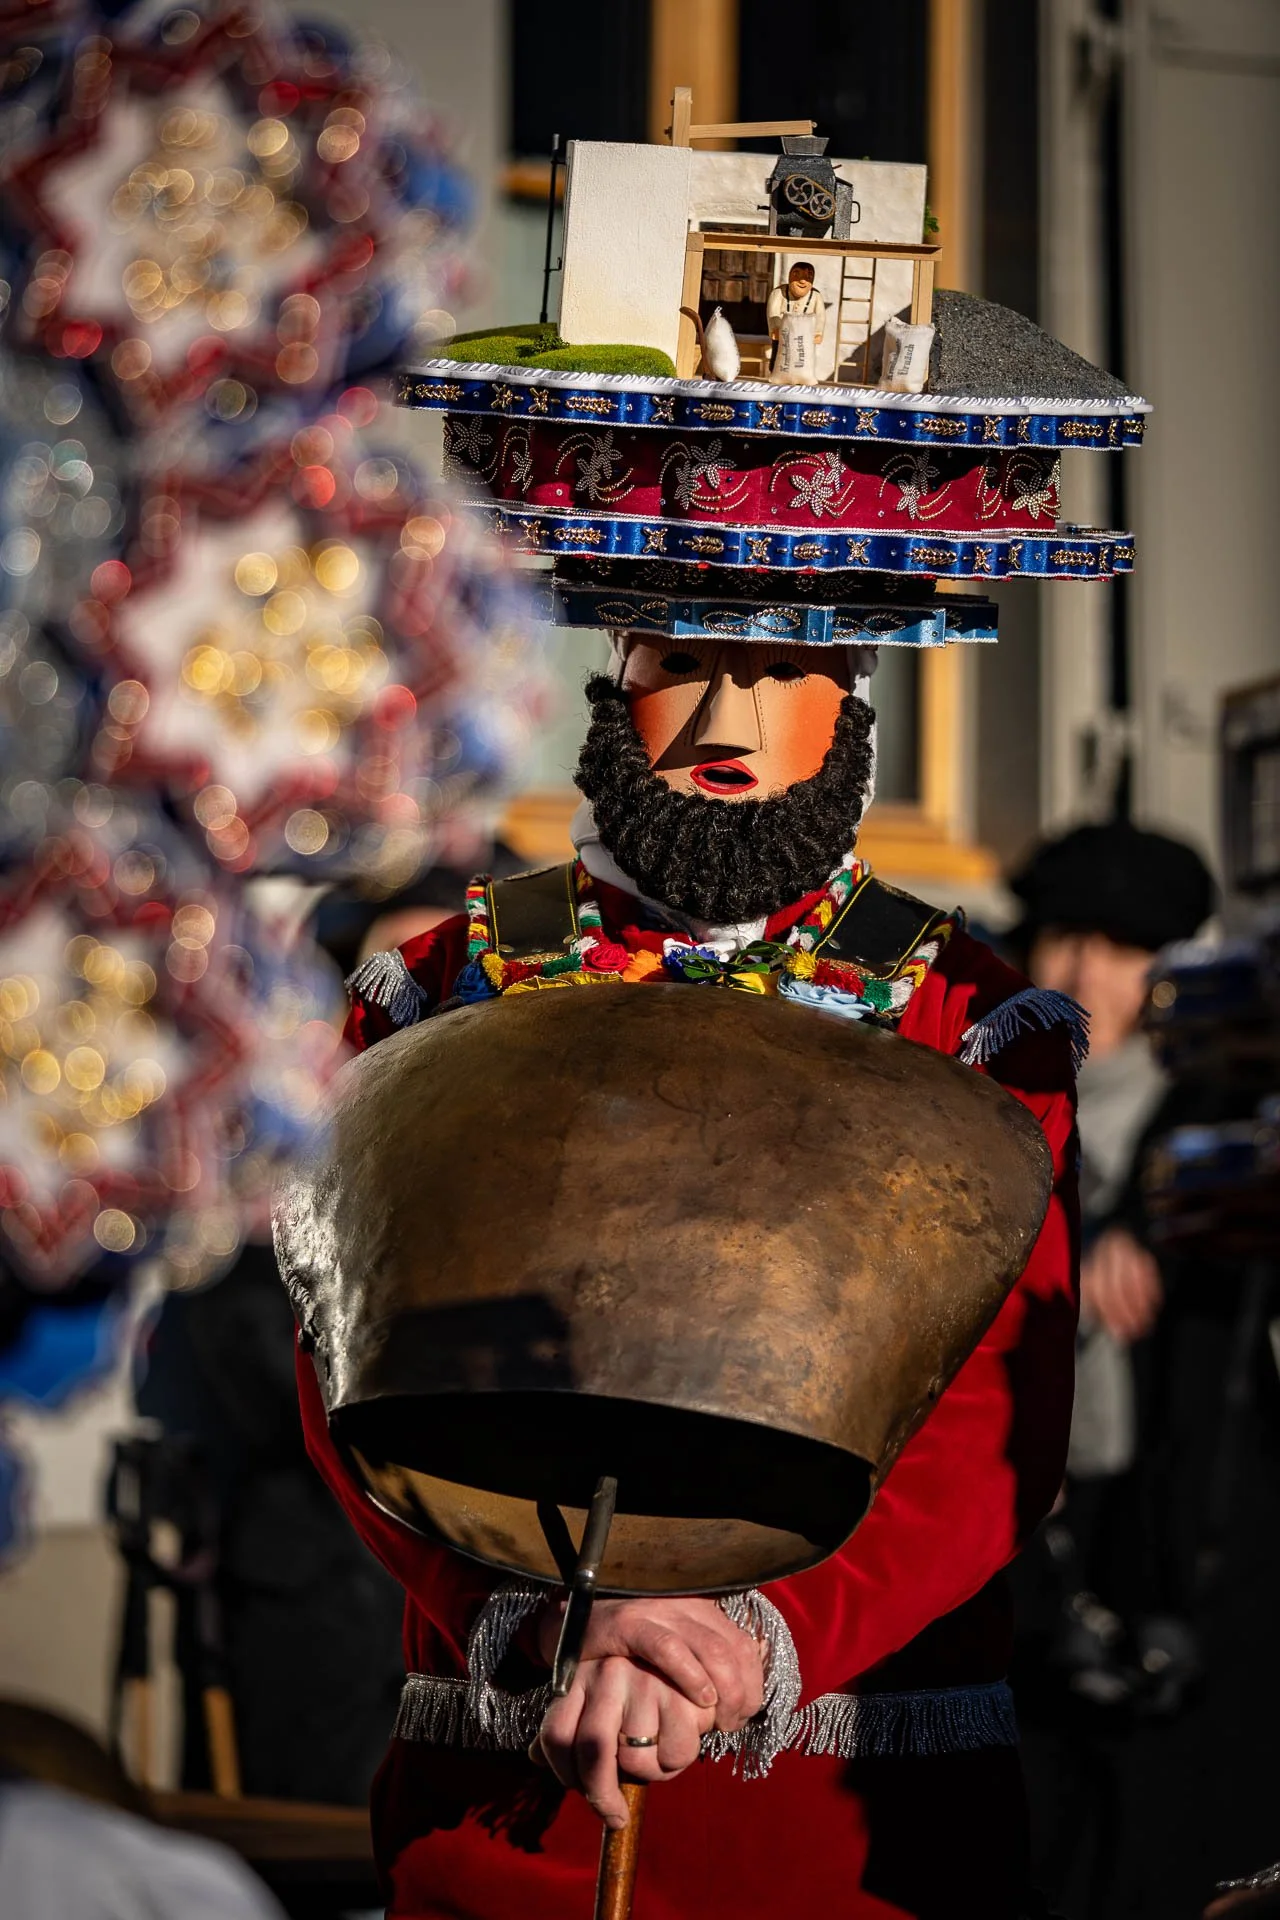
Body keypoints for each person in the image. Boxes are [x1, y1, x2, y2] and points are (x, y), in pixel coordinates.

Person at [292, 632, 1083, 1919]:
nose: (725, 723)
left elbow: (996, 1409)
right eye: (681, 660)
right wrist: (543, 1621)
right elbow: (343, 1354)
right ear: (614, 667)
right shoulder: (442, 988)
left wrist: (754, 1639)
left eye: (778, 666)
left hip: (842, 1810)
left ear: (857, 691)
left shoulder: (967, 1016)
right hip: (510, 1790)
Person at [766, 260, 825, 379]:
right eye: (797, 274)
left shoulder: (816, 296)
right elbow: (773, 311)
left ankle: (802, 378)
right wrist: (776, 328)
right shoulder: (779, 293)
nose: (802, 280)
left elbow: (820, 316)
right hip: (784, 334)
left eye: (808, 276)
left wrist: (818, 332)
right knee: (780, 357)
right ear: (790, 276)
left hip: (804, 337)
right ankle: (777, 375)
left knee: (803, 358)